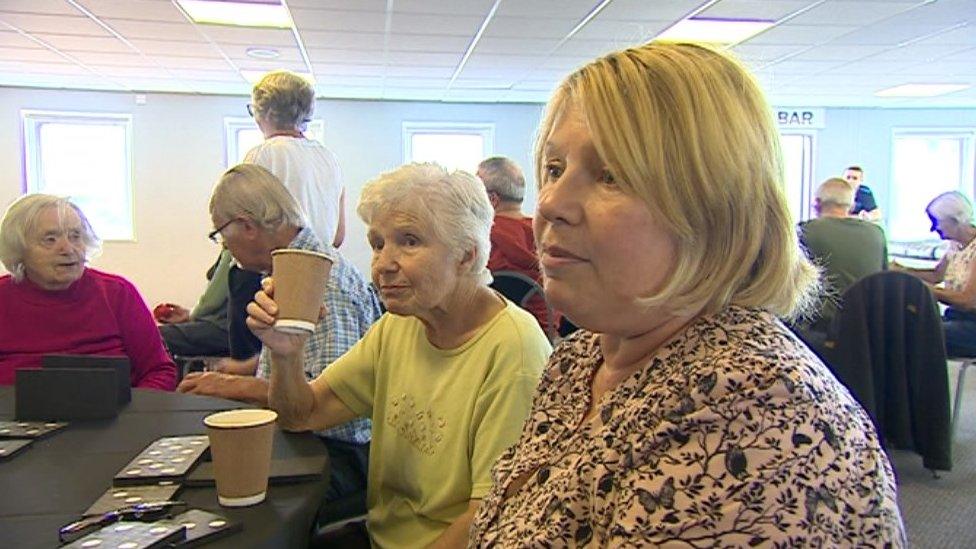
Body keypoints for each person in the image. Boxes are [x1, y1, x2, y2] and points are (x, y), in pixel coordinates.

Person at [468, 42, 905, 546]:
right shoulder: (586, 356)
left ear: (711, 207)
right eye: (554, 168)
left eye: (611, 174)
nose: (550, 203)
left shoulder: (754, 416)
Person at [248, 162, 551, 547]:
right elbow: (300, 414)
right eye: (377, 244)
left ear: (466, 256)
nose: (383, 265)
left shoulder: (514, 352)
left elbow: (489, 517)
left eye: (409, 241)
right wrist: (287, 354)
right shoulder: (401, 323)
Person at [177, 164, 382, 512]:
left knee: (225, 491)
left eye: (220, 234)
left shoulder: (323, 283)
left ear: (246, 226)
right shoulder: (294, 271)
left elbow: (326, 399)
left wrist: (232, 386)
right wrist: (246, 369)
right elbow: (310, 355)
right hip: (312, 439)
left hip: (338, 453)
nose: (224, 245)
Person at [225, 69, 348, 367]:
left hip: (270, 275)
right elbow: (338, 236)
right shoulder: (328, 158)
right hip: (319, 272)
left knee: (262, 373)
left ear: (261, 111)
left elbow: (242, 226)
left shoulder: (261, 155)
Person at [0, 194, 176, 390]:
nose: (68, 249)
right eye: (50, 239)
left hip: (116, 417)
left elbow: (159, 371)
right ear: (19, 249)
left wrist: (134, 415)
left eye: (75, 236)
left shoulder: (117, 293)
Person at [477, 156, 556, 334]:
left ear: (492, 200)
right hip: (546, 331)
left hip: (489, 332)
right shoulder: (547, 233)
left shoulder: (482, 238)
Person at [894, 191, 976, 357]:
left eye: (936, 222)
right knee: (901, 324)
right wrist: (902, 271)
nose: (933, 229)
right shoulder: (956, 245)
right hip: (956, 318)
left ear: (954, 221)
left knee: (914, 333)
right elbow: (937, 275)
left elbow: (968, 301)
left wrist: (923, 288)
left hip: (971, 325)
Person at [799, 177, 887, 330]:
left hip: (822, 329)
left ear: (816, 203)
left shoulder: (806, 231)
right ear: (852, 205)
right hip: (868, 329)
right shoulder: (877, 234)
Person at [156, 249, 233, 358]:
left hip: (224, 330)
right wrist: (190, 314)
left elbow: (211, 302)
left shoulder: (233, 252)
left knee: (151, 335)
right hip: (227, 328)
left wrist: (191, 315)